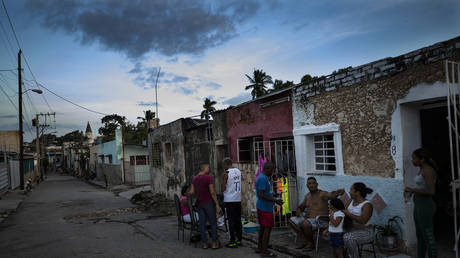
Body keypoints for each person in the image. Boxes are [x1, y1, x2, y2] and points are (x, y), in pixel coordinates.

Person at [289, 177, 345, 250]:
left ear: (317, 184)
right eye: (309, 183)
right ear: (307, 185)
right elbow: (301, 206)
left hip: (321, 220)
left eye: (313, 183)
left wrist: (337, 193)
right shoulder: (307, 196)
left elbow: (330, 195)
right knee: (291, 221)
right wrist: (299, 210)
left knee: (305, 223)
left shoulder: (322, 194)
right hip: (308, 220)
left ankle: (310, 243)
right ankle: (306, 240)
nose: (312, 185)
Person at [404, 148, 437, 258]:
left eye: (414, 158)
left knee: (428, 235)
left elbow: (431, 191)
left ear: (422, 159)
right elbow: (422, 187)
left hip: (425, 205)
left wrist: (413, 190)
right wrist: (413, 191)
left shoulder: (428, 171)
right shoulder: (421, 169)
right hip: (418, 203)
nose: (412, 160)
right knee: (420, 235)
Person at [188, 163, 221, 249]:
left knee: (202, 224)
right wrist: (217, 203)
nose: (209, 169)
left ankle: (204, 243)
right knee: (213, 223)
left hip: (200, 203)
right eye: (208, 167)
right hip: (208, 203)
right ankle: (214, 243)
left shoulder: (194, 178)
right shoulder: (208, 178)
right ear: (204, 168)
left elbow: (192, 191)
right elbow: (212, 192)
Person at [255, 161, 283, 257]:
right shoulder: (263, 178)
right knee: (267, 228)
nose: (273, 172)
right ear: (267, 169)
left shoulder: (263, 177)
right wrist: (275, 200)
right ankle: (264, 250)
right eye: (272, 170)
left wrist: (273, 195)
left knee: (262, 227)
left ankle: (260, 247)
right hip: (265, 208)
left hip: (262, 206)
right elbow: (261, 194)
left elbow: (265, 192)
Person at [342, 182, 374, 258]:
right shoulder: (351, 201)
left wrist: (349, 214)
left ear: (357, 192)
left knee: (348, 237)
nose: (349, 192)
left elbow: (363, 221)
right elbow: (344, 212)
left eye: (351, 190)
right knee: (334, 233)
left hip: (365, 232)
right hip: (351, 229)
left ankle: (353, 256)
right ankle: (342, 255)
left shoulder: (367, 205)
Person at [221, 157, 243, 248]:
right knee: (238, 220)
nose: (223, 167)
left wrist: (223, 182)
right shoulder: (238, 171)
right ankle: (239, 240)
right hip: (238, 199)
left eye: (223, 165)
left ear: (226, 164)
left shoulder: (227, 174)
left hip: (229, 200)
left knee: (230, 221)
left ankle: (232, 241)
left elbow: (222, 188)